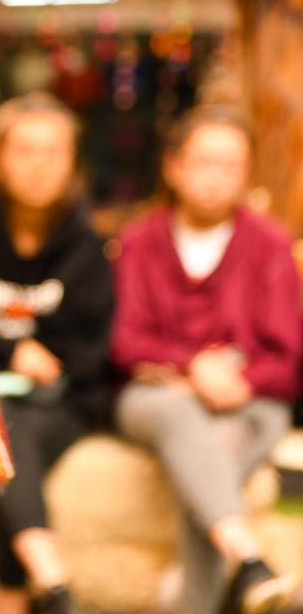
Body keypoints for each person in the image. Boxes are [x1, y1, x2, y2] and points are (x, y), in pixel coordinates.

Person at [111, 105, 302, 614]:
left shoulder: (269, 246)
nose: (215, 178)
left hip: (249, 402)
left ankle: (203, 597)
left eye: (230, 166)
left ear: (247, 174)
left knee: (212, 449)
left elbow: (287, 362)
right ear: (173, 167)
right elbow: (126, 342)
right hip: (159, 396)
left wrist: (237, 380)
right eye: (203, 162)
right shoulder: (138, 243)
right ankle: (250, 562)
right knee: (181, 418)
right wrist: (191, 369)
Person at [0, 93, 114, 614]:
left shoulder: (87, 245)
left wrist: (39, 360)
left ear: (72, 161)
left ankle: (27, 592)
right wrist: (6, 350)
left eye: (53, 151)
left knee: (3, 426)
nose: (39, 164)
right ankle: (48, 584)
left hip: (63, 402)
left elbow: (93, 352)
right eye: (25, 150)